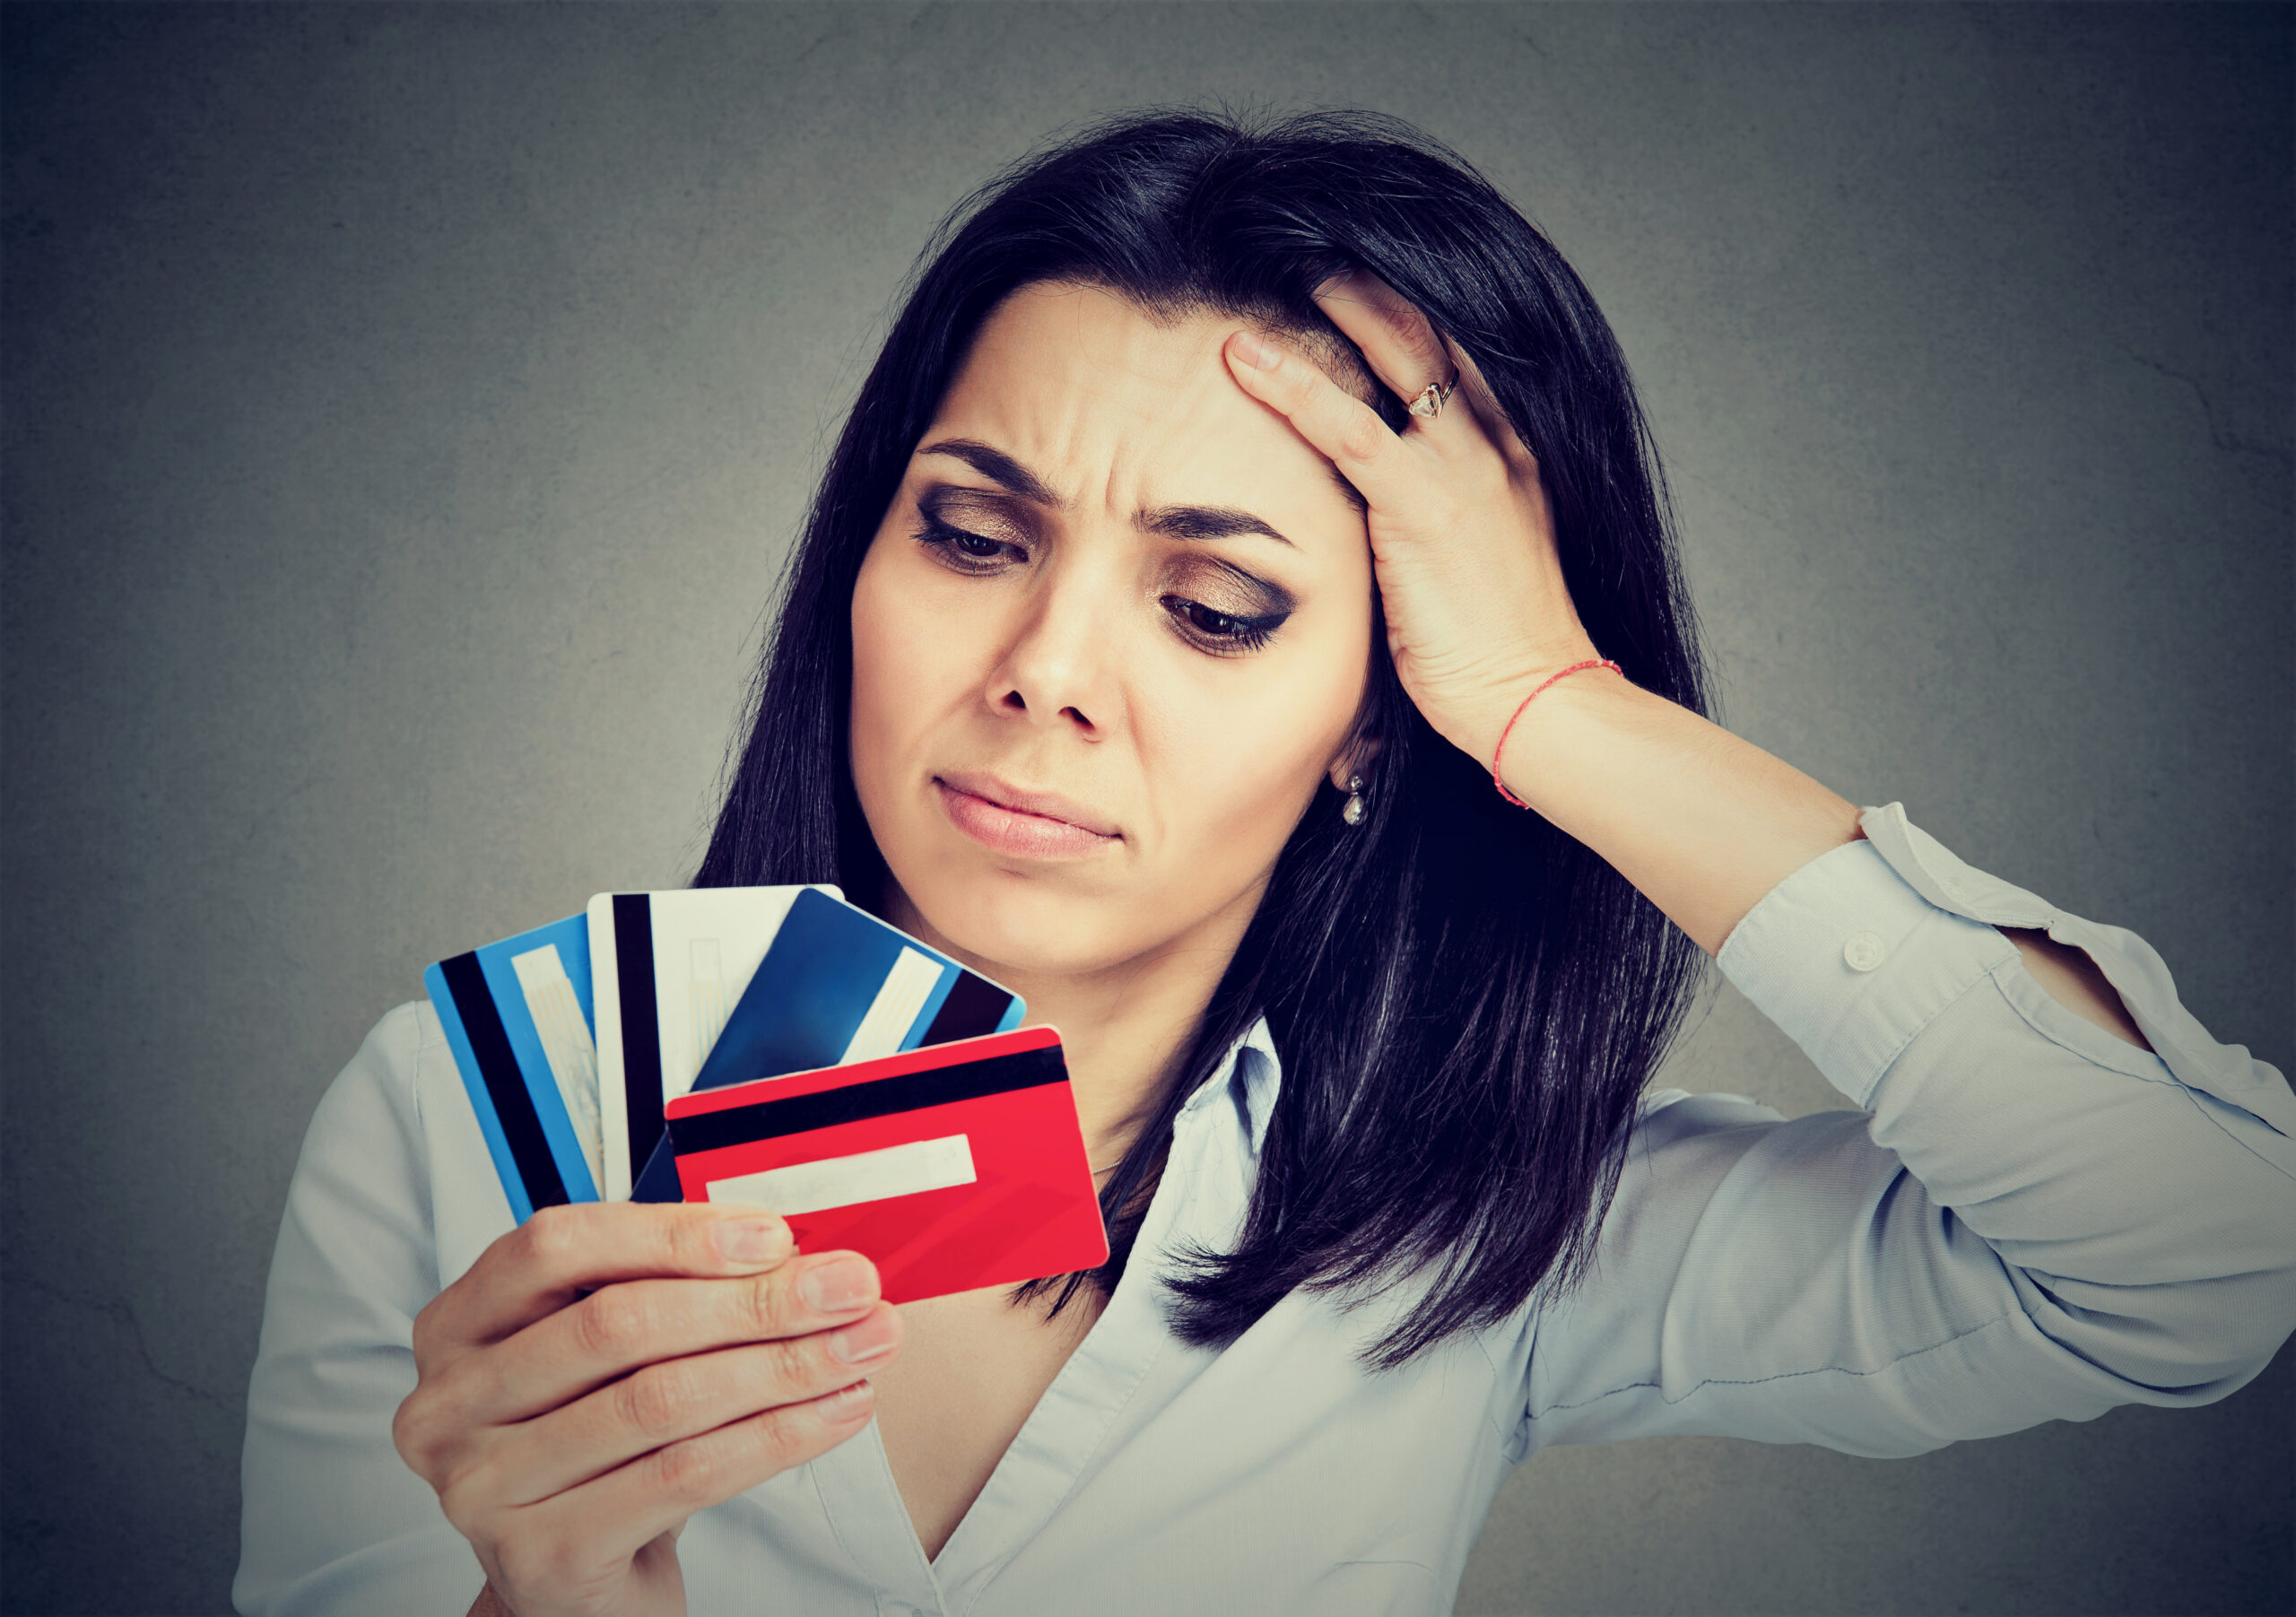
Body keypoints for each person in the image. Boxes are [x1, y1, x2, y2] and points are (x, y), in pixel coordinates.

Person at [233, 109, 2296, 1617]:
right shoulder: (466, 1117)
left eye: (1212, 608)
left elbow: (2201, 1250)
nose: (1044, 674)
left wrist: (1545, 699)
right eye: (970, 534)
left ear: (1368, 721)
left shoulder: (1483, 1230)